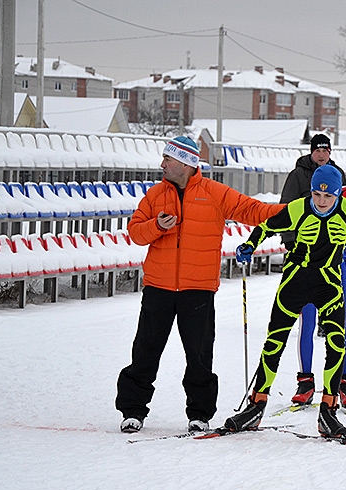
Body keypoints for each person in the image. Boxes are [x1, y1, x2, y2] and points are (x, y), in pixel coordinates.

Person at [115, 136, 284, 434]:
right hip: (158, 287)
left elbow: (255, 211)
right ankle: (132, 411)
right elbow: (136, 233)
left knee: (199, 356)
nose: (162, 164)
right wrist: (157, 226)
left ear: (185, 163)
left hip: (199, 288)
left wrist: (300, 209)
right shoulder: (155, 195)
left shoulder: (214, 193)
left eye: (167, 159)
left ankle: (199, 414)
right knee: (145, 351)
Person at [224, 165, 346, 438]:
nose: (322, 201)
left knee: (336, 343)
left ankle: (328, 410)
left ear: (338, 194)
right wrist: (249, 245)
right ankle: (256, 405)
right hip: (295, 281)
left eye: (329, 196)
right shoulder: (298, 208)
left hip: (329, 284)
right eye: (316, 194)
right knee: (274, 342)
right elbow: (266, 226)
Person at [278, 133, 346, 406]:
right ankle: (305, 381)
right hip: (304, 258)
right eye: (317, 150)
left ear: (330, 152)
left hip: (332, 260)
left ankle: (342, 382)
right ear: (311, 152)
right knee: (306, 322)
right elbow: (286, 210)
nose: (321, 154)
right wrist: (290, 243)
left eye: (325, 150)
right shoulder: (298, 175)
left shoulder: (337, 174)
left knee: (339, 324)